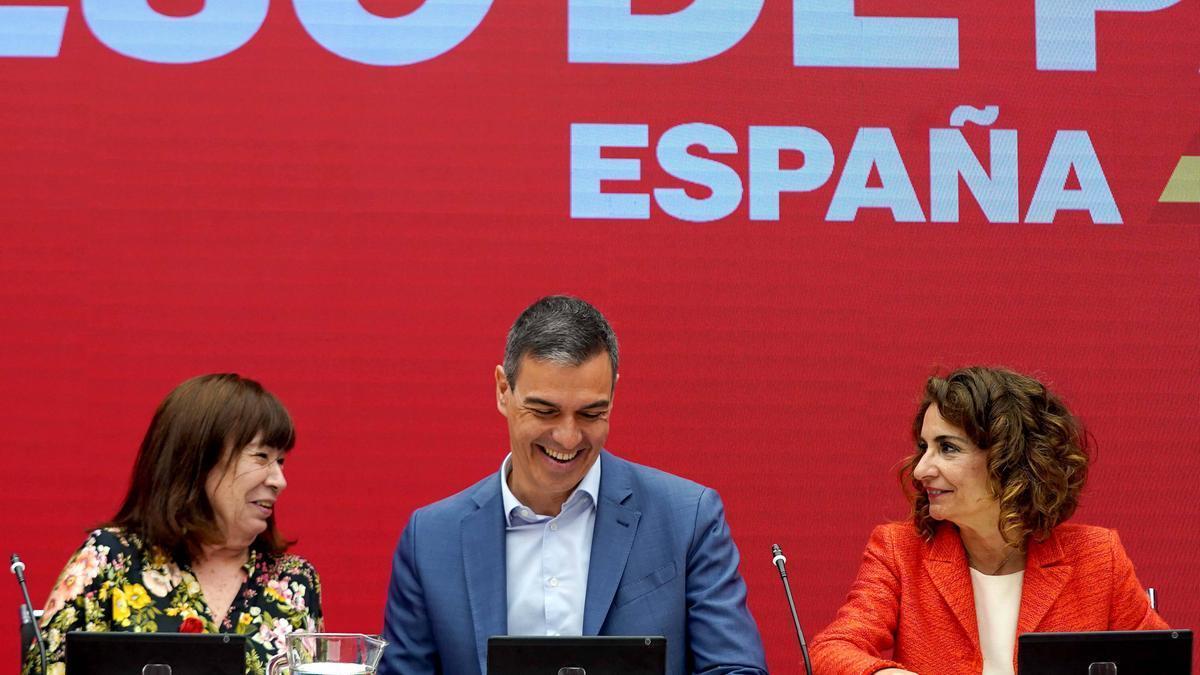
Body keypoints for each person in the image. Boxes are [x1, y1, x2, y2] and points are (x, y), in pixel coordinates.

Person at [379, 295, 766, 675]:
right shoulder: (430, 540)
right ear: (503, 391)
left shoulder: (687, 519)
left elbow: (736, 669)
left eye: (591, 414)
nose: (567, 438)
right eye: (544, 411)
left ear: (613, 396)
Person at [810, 366, 1167, 675]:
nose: (920, 470)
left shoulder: (1098, 558)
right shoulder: (899, 551)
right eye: (923, 448)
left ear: (1009, 459)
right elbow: (831, 651)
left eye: (947, 448)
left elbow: (1162, 663)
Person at [23, 374, 322, 675]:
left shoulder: (294, 581)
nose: (279, 481)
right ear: (198, 459)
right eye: (262, 456)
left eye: (280, 461)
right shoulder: (110, 561)